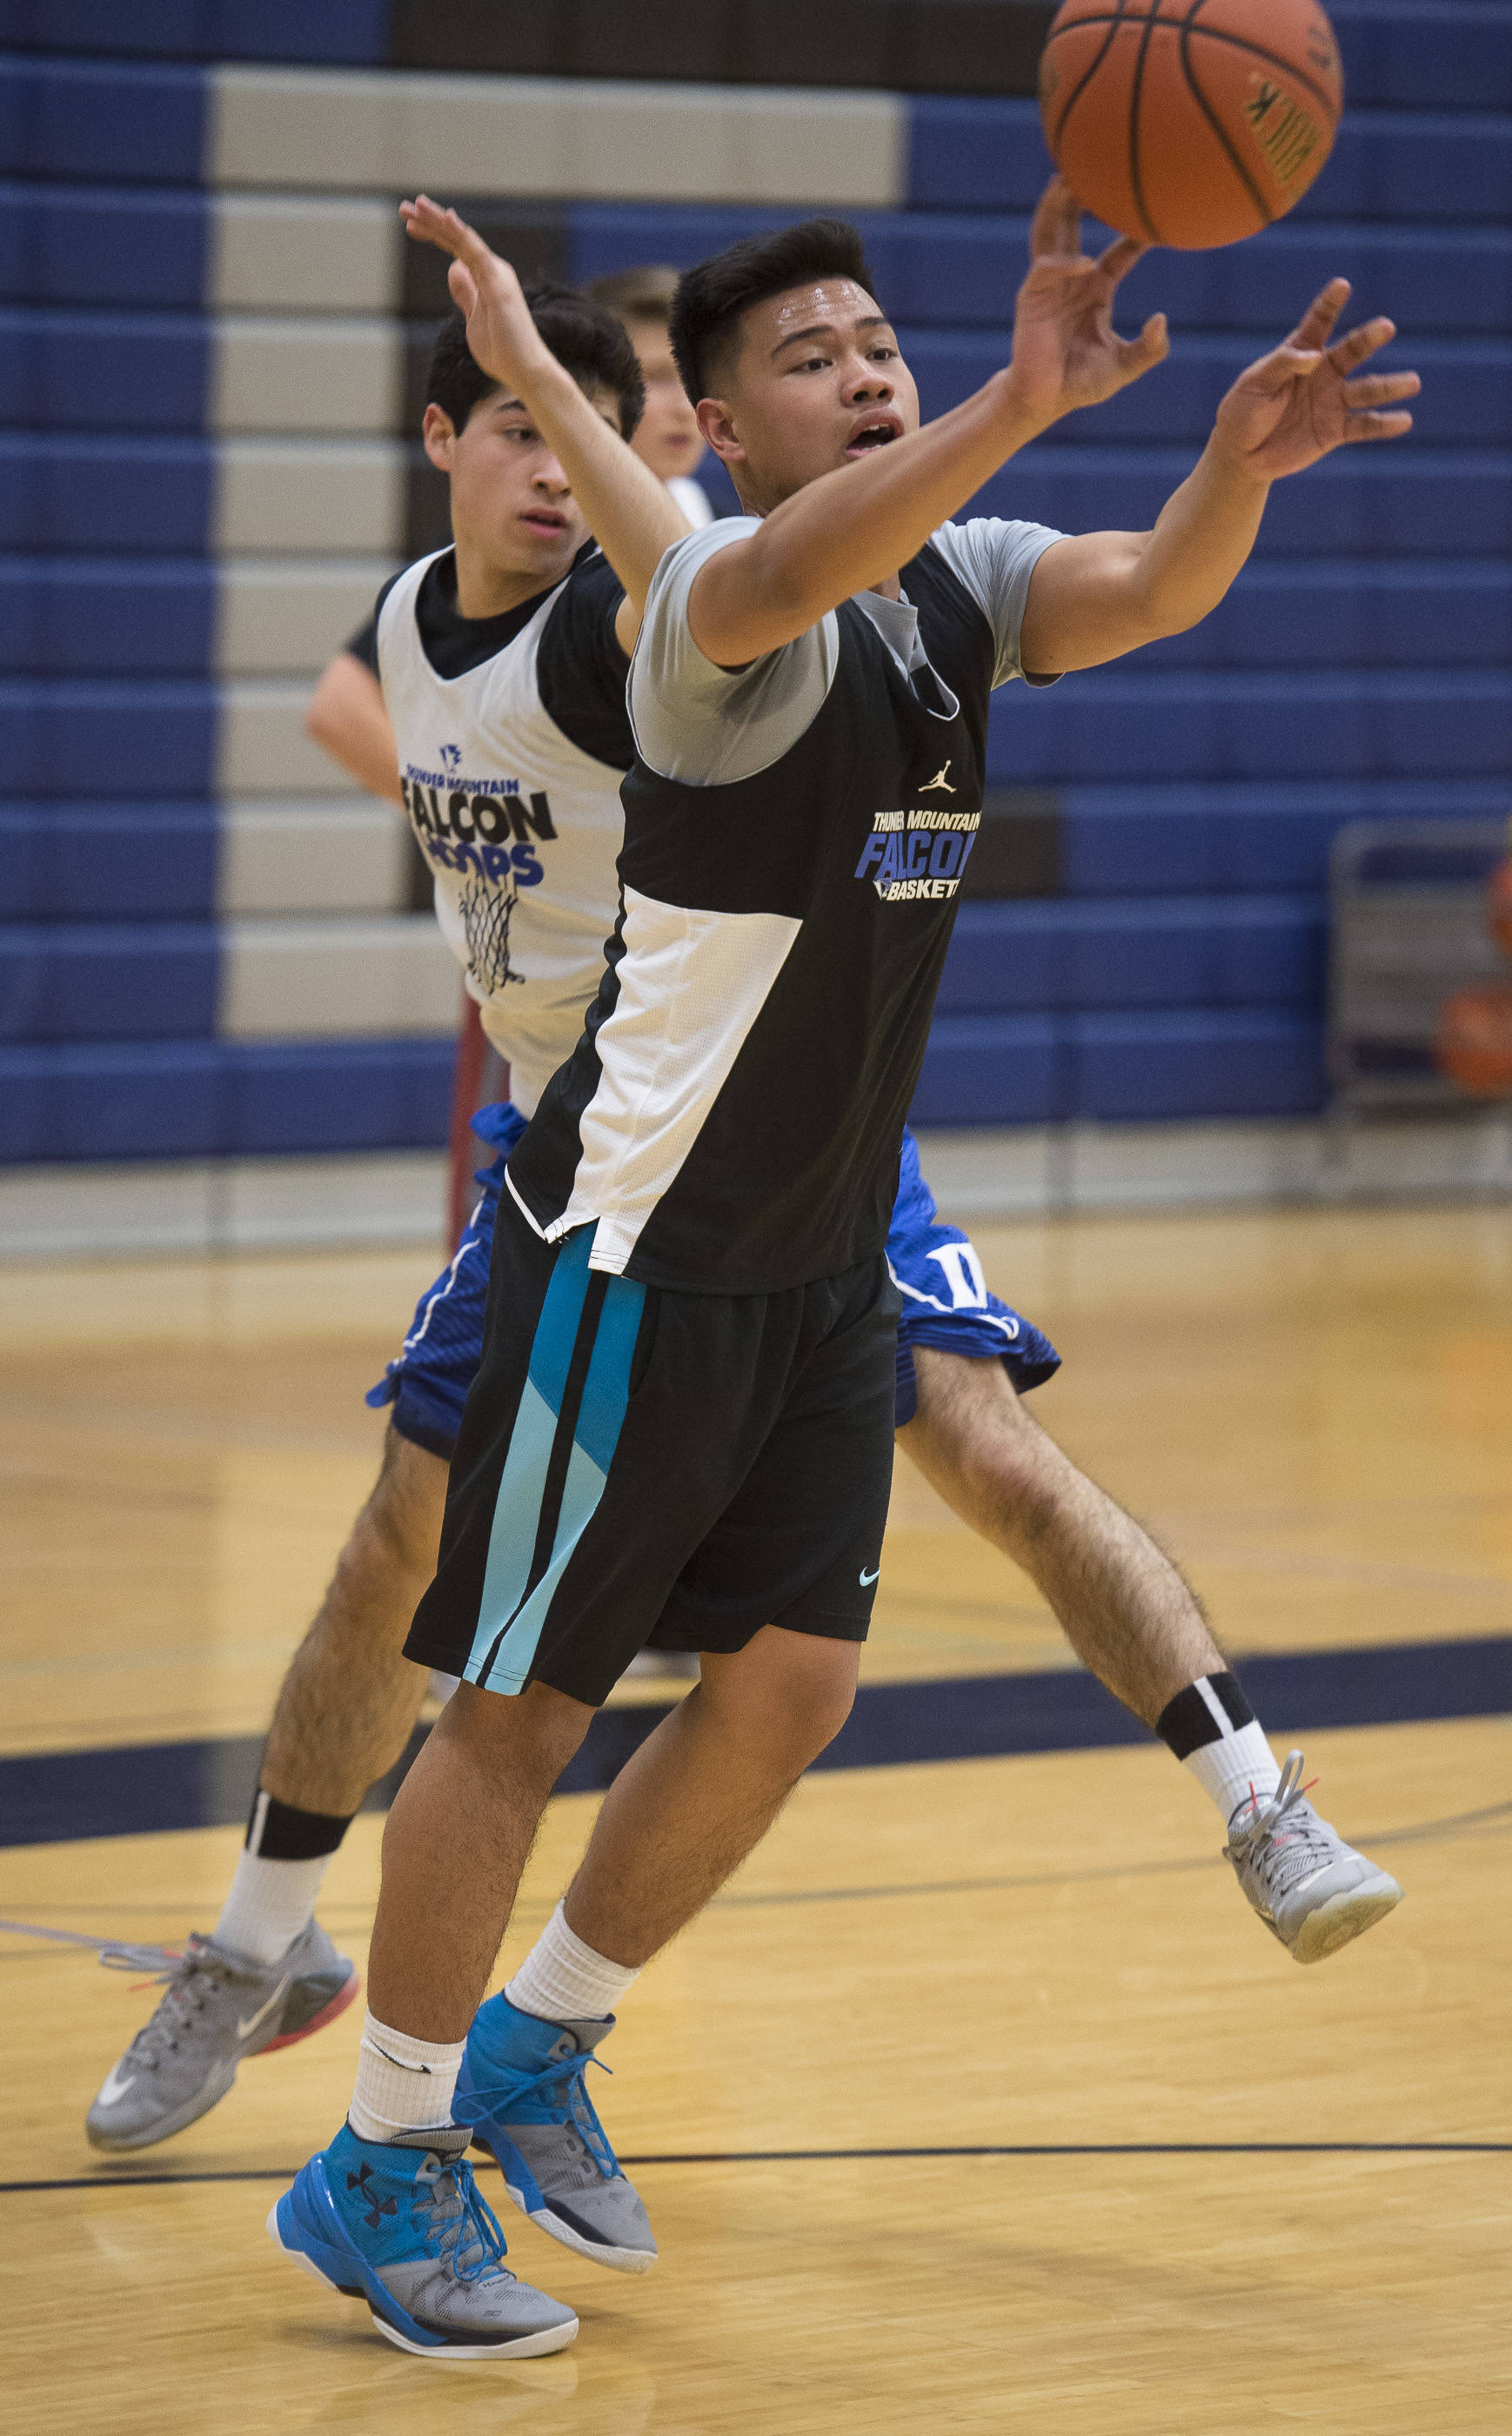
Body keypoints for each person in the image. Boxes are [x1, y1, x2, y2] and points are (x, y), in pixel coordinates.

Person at [252, 187, 1415, 2359]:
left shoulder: (959, 578)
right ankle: (378, 2160)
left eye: (882, 337)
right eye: (813, 356)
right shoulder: (710, 607)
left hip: (816, 1255)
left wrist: (1227, 472)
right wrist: (1016, 395)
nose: (867, 367)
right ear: (720, 430)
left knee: (792, 1685)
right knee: (512, 1712)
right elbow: (800, 562)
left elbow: (1144, 588)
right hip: (635, 1246)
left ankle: (532, 2041)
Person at [586, 262, 718, 528]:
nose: (688, 407)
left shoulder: (718, 520)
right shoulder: (554, 535)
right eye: (657, 377)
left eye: (698, 378)